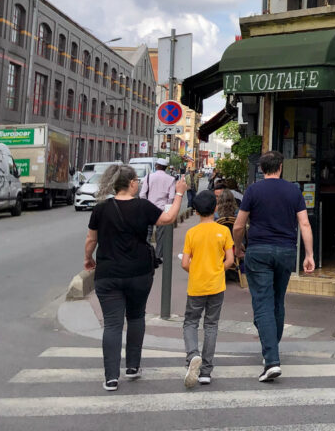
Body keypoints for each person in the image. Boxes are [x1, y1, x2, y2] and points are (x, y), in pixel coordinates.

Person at [83, 164, 186, 391]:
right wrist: (179, 193)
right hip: (139, 273)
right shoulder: (142, 206)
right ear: (131, 184)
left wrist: (88, 259)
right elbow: (168, 218)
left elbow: (91, 240)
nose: (139, 184)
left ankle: (111, 377)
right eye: (137, 181)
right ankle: (132, 367)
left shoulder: (101, 209)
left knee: (112, 324)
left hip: (108, 274)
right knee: (136, 317)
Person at [232, 150, 315, 383]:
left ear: (261, 168)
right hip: (287, 251)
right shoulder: (294, 191)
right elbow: (305, 224)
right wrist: (309, 254)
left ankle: (271, 360)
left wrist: (237, 247)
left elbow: (239, 226)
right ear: (280, 167)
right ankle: (272, 351)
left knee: (262, 304)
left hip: (258, 251)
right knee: (277, 301)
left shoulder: (253, 190)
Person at [181, 190, 234, 388]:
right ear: (216, 208)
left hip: (196, 286)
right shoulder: (224, 231)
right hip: (217, 285)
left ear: (195, 211)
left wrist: (195, 270)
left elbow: (185, 262)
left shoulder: (191, 233)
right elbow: (229, 259)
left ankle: (193, 354)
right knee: (211, 325)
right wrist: (219, 269)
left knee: (191, 323)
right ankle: (206, 372)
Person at [140, 158, 176, 261]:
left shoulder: (148, 177)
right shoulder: (171, 179)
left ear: (156, 166)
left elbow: (142, 194)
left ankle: (146, 254)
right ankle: (158, 256)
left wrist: (145, 205)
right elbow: (171, 197)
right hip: (162, 210)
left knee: (147, 232)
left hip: (148, 208)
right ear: (165, 168)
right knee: (161, 235)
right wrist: (167, 208)